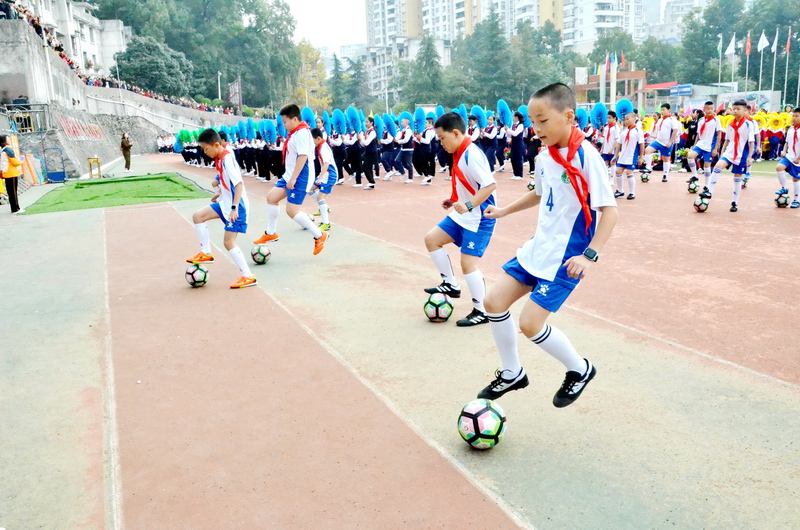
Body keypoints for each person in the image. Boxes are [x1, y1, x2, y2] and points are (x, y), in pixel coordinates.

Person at [475, 83, 618, 408]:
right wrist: (504, 210)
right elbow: (540, 193)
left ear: (568, 116)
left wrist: (590, 256)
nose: (535, 128)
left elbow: (609, 211)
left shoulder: (586, 156)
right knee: (493, 302)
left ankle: (580, 370)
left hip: (567, 258)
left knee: (529, 324)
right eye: (532, 121)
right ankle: (512, 373)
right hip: (538, 249)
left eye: (542, 120)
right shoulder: (544, 155)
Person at [423, 112, 497, 327]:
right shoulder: (460, 151)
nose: (441, 143)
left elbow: (490, 185)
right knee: (432, 239)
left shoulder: (471, 154)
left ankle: (482, 311)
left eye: (442, 138)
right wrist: (455, 200)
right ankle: (450, 284)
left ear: (455, 133)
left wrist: (469, 204)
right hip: (463, 214)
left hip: (480, 217)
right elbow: (467, 183)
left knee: (468, 264)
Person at [185, 128, 256, 289]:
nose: (205, 152)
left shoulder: (227, 159)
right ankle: (207, 253)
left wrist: (234, 208)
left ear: (216, 145)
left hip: (237, 207)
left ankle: (248, 277)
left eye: (206, 149)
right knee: (198, 216)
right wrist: (219, 192)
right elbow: (227, 182)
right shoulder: (220, 157)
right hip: (225, 203)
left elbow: (239, 186)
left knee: (229, 242)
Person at [253, 104, 329, 254]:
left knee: (292, 210)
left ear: (294, 119)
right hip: (290, 174)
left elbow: (303, 156)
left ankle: (320, 235)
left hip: (301, 176)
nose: (284, 125)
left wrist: (293, 179)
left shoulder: (301, 133)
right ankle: (270, 233)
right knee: (272, 197)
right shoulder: (295, 133)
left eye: (285, 122)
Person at [699, 100, 754, 212]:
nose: (735, 111)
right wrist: (722, 152)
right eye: (734, 109)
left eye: (738, 109)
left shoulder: (749, 124)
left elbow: (751, 142)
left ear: (744, 111)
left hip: (741, 154)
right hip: (729, 152)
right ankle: (709, 190)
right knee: (717, 166)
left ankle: (734, 202)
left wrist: (749, 157)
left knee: (737, 177)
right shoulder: (730, 124)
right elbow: (727, 140)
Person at [687, 102, 722, 188]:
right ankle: (695, 176)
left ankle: (707, 185)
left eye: (711, 109)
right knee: (690, 156)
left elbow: (719, 134)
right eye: (708, 109)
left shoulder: (716, 120)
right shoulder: (701, 120)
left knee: (707, 166)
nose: (710, 111)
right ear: (704, 110)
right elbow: (698, 134)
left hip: (710, 145)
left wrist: (716, 148)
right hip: (700, 143)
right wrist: (695, 145)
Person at [643, 103, 680, 182]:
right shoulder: (660, 120)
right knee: (647, 150)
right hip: (658, 141)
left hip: (667, 143)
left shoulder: (672, 119)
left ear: (668, 110)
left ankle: (665, 175)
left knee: (666, 159)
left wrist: (670, 142)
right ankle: (648, 168)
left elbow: (675, 131)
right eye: (661, 110)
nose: (662, 112)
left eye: (664, 110)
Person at [613, 112, 644, 200]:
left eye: (628, 119)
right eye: (625, 119)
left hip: (632, 155)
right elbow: (619, 144)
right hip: (623, 155)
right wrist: (615, 155)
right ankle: (620, 190)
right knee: (618, 171)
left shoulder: (638, 131)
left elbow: (641, 144)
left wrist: (641, 157)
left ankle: (632, 193)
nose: (626, 121)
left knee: (629, 173)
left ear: (634, 119)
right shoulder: (624, 131)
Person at [310, 127, 336, 229]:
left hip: (329, 175)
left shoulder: (323, 147)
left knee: (321, 197)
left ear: (319, 138)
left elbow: (326, 163)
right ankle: (324, 207)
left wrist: (320, 178)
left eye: (312, 140)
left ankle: (326, 223)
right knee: (309, 189)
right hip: (324, 174)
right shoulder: (319, 146)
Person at [774, 107, 800, 208]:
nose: (794, 118)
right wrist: (784, 151)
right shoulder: (790, 129)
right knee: (779, 167)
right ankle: (784, 188)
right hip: (789, 156)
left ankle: (797, 200)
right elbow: (787, 142)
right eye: (793, 116)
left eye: (797, 116)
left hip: (797, 158)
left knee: (796, 178)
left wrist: (799, 158)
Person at [0, 135, 24, 214]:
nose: (9, 140)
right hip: (11, 173)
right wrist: (21, 160)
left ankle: (16, 208)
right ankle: (15, 208)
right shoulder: (8, 150)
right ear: (5, 141)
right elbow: (15, 162)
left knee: (11, 192)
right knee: (13, 192)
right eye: (8, 139)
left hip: (8, 173)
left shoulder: (3, 150)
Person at [356, 117, 378, 190]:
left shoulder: (372, 132)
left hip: (372, 152)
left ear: (371, 123)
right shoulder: (367, 132)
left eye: (367, 122)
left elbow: (366, 143)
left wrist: (361, 139)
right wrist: (360, 140)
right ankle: (371, 183)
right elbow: (363, 144)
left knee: (365, 167)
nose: (365, 123)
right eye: (365, 122)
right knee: (369, 168)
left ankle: (371, 181)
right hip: (368, 152)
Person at [600, 111, 619, 182]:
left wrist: (612, 149)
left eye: (610, 118)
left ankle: (611, 179)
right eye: (607, 118)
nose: (608, 119)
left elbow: (616, 140)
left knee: (612, 163)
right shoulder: (606, 128)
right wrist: (602, 149)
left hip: (612, 149)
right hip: (605, 149)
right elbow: (605, 139)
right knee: (605, 163)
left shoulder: (616, 128)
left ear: (614, 118)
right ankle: (605, 179)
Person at [506, 112, 525, 180]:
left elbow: (515, 134)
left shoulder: (520, 125)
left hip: (519, 143)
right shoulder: (513, 125)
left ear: (517, 118)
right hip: (513, 143)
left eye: (514, 117)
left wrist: (508, 130)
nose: (513, 118)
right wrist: (506, 131)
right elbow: (510, 134)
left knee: (518, 159)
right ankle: (515, 173)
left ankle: (519, 175)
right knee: (513, 158)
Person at [395, 117, 414, 183]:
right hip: (403, 149)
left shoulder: (409, 130)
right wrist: (395, 139)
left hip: (408, 149)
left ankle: (410, 178)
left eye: (402, 122)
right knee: (397, 161)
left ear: (406, 123)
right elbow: (399, 137)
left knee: (408, 164)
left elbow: (406, 140)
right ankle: (403, 173)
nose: (401, 123)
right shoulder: (403, 130)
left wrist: (398, 141)